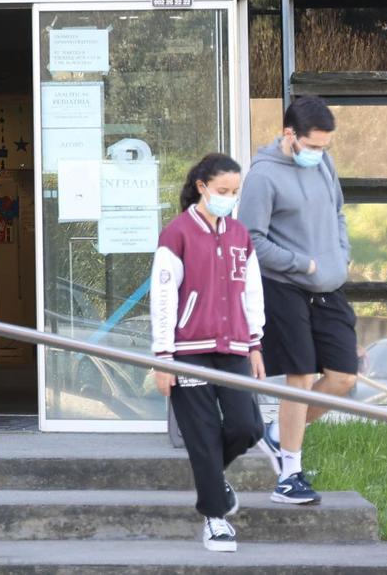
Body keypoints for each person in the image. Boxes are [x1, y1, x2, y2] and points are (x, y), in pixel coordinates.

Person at [240, 96, 356, 505]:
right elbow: (251, 239)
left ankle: (275, 435)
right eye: (314, 145)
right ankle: (289, 473)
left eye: (325, 146)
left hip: (329, 284)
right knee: (301, 379)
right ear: (290, 134)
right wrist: (302, 264)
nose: (320, 153)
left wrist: (341, 254)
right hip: (285, 285)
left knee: (343, 378)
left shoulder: (323, 163)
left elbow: (338, 211)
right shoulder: (262, 177)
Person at [150, 153, 266, 553]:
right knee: (201, 436)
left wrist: (255, 343)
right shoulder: (177, 233)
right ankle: (215, 520)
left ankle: (213, 481)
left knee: (247, 427)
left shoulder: (239, 234)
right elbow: (163, 297)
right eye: (222, 191)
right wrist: (162, 358)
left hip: (233, 346)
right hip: (188, 351)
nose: (229, 198)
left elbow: (252, 291)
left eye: (234, 192)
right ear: (202, 187)